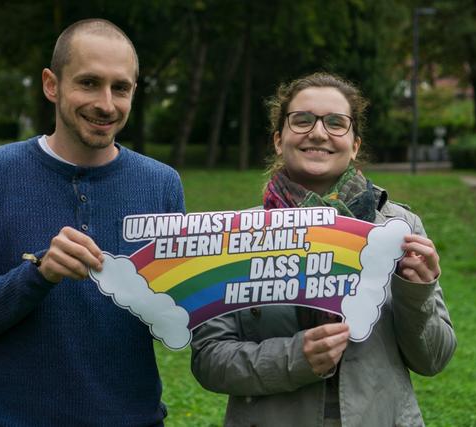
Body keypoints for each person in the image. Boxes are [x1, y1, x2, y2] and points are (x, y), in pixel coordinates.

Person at [0, 19, 184, 426]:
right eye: (89, 83)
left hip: (132, 419)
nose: (107, 104)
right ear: (52, 85)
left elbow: (179, 307)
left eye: (120, 88)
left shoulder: (161, 184)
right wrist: (37, 273)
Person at [190, 72, 456, 427]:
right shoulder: (238, 237)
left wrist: (415, 293)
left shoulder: (398, 229)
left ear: (355, 144)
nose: (318, 132)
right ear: (278, 139)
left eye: (336, 123)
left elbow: (434, 359)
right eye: (302, 120)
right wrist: (293, 359)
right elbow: (209, 360)